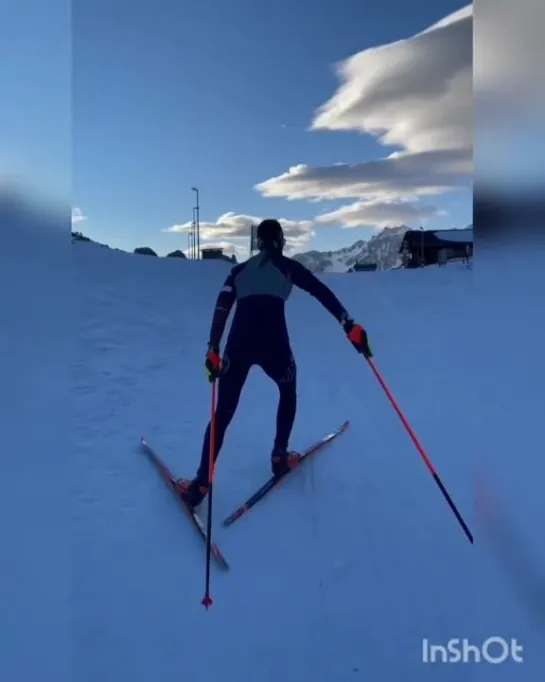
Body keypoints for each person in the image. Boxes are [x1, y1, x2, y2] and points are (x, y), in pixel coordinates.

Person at [176, 219, 372, 508]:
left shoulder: (238, 272)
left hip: (237, 345)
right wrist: (348, 324)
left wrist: (213, 348)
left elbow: (222, 308)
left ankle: (201, 484)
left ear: (257, 244)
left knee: (223, 413)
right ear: (280, 241)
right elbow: (320, 292)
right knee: (288, 390)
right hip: (274, 345)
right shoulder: (287, 267)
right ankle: (279, 456)